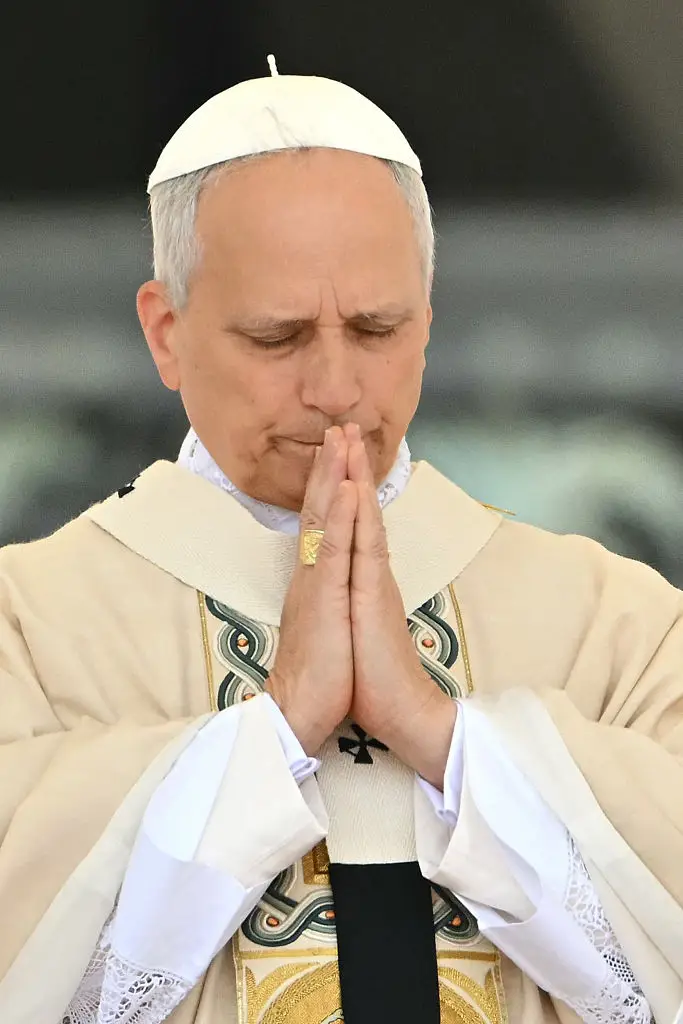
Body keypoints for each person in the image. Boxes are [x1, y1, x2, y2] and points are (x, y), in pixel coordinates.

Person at [0, 61, 681, 1024]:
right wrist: (273, 733)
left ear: (429, 324)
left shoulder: (621, 625)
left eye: (376, 328)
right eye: (277, 338)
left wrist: (443, 736)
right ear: (165, 333)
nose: (335, 388)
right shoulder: (25, 628)